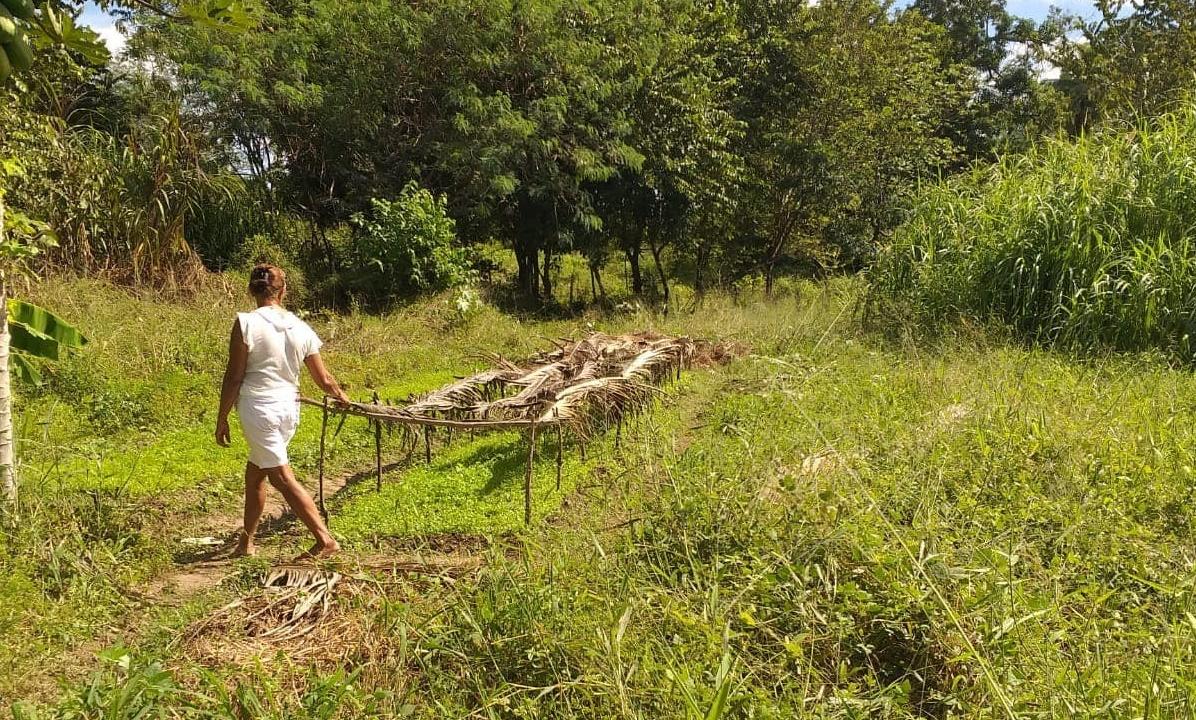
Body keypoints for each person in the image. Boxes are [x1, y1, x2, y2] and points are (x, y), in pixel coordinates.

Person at [215, 264, 349, 560]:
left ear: (251, 290)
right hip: (289, 410)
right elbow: (324, 379)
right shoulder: (300, 326)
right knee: (255, 475)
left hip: (259, 411)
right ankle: (246, 543)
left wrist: (222, 417)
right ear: (283, 290)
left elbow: (234, 376)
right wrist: (340, 395)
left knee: (280, 477)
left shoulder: (245, 323)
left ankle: (325, 540)